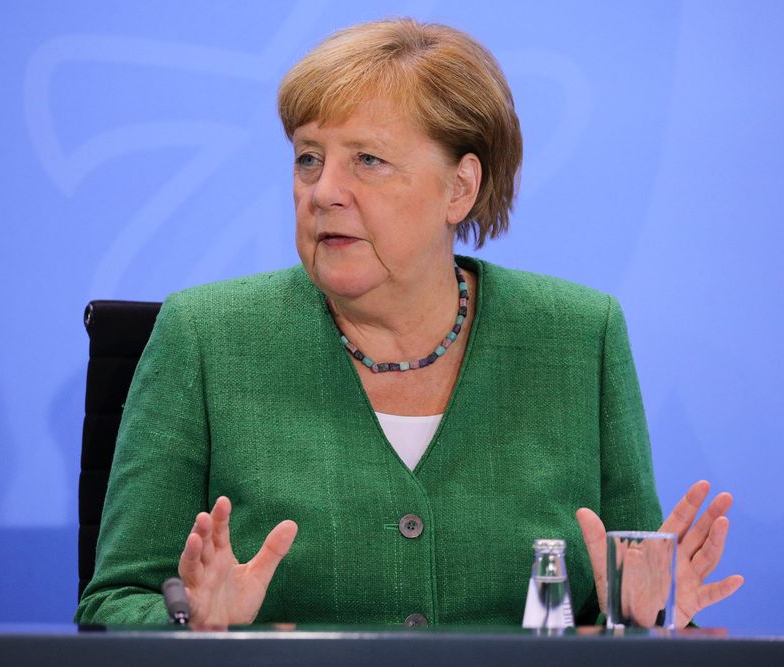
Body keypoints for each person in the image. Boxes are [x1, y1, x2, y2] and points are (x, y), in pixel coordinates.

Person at [75, 18, 742, 628]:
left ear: (460, 187)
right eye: (309, 157)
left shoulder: (580, 337)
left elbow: (632, 599)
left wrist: (650, 617)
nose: (324, 190)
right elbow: (114, 602)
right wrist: (196, 623)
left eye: (367, 159)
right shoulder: (207, 335)